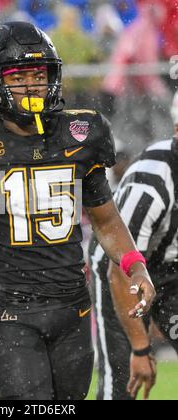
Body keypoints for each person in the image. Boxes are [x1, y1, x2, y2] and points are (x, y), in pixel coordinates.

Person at [0, 22, 155, 400]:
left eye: (39, 74)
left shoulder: (82, 133)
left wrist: (134, 263)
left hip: (73, 310)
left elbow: (106, 220)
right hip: (11, 311)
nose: (32, 85)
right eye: (19, 76)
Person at [89, 93, 178, 401]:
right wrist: (141, 348)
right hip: (123, 265)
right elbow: (119, 270)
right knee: (124, 382)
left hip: (171, 268)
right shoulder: (152, 182)